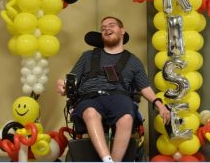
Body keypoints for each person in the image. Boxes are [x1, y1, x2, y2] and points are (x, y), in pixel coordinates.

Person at [56, 16, 170, 162]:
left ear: (122, 30)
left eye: (111, 25)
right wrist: (63, 85)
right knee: (90, 113)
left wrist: (160, 105)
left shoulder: (133, 61)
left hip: (119, 96)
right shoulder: (87, 56)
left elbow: (144, 87)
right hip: (90, 97)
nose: (106, 29)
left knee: (127, 117)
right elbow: (71, 79)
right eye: (103, 28)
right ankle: (107, 159)